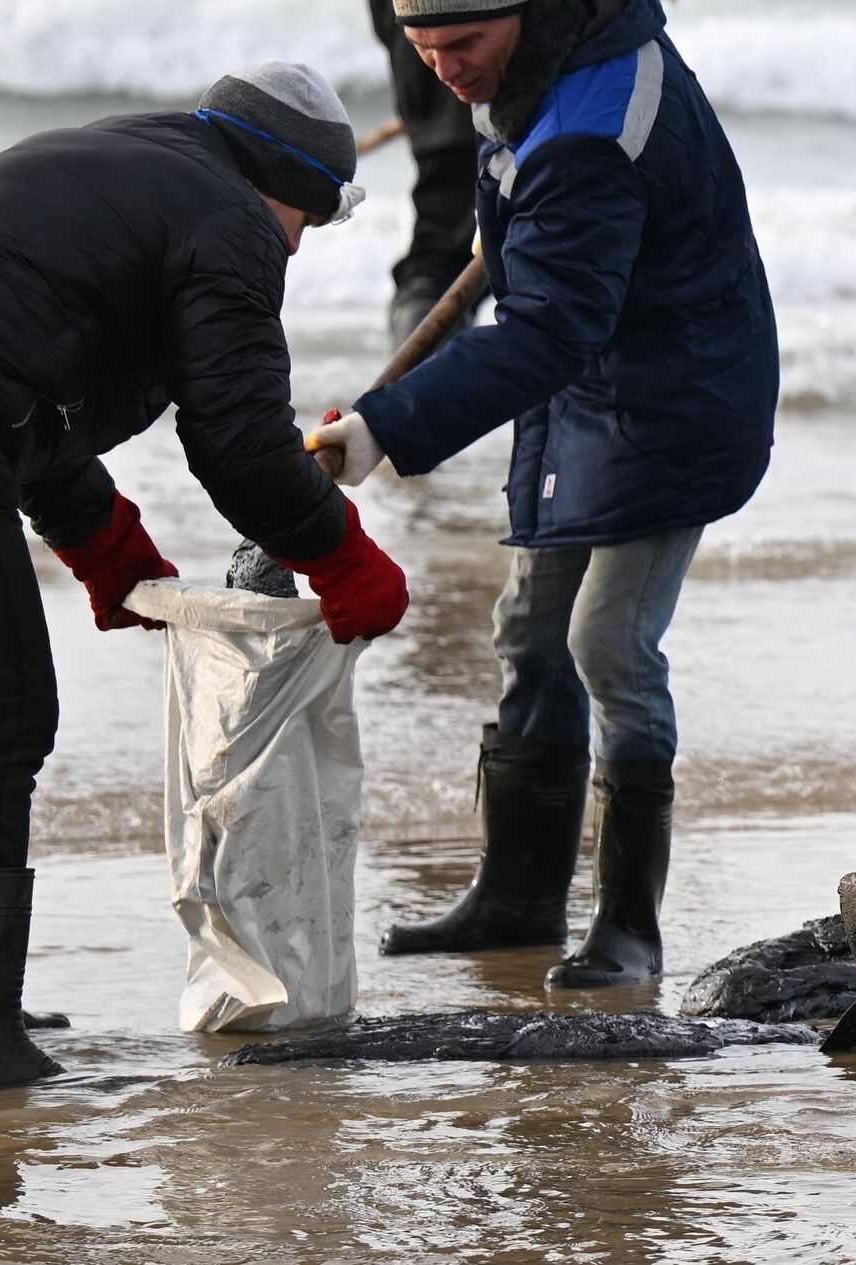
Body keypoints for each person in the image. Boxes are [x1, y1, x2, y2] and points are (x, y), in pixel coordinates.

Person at [0, 63, 410, 1099]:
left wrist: (99, 533)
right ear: (282, 179)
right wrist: (341, 550)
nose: (295, 243)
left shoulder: (122, 153)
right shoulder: (232, 219)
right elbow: (235, 438)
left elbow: (24, 357)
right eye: (309, 218)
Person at [307, 0, 779, 988]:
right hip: (592, 380)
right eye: (423, 51)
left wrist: (385, 428)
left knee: (607, 641)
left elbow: (546, 327)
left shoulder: (589, 130)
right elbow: (555, 294)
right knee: (529, 629)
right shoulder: (552, 59)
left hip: (679, 393)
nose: (444, 71)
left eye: (462, 46)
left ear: (520, 12)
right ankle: (519, 897)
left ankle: (628, 924)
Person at [367, 0, 482, 345]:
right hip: (465, 52)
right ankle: (419, 378)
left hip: (419, 56)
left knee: (441, 241)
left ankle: (417, 373)